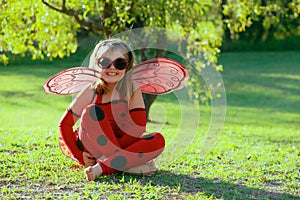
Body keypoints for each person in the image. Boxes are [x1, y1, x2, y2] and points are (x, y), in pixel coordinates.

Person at [58, 38, 165, 181]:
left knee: (158, 140)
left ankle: (104, 167)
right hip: (93, 147)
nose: (112, 68)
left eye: (119, 63)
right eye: (104, 62)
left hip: (121, 143)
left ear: (127, 66)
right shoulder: (91, 91)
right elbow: (64, 124)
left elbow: (138, 129)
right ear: (96, 64)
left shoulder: (132, 90)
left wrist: (116, 154)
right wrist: (79, 156)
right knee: (91, 112)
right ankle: (127, 166)